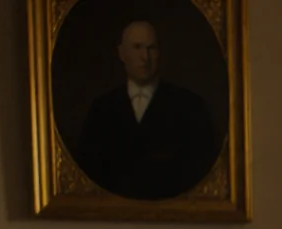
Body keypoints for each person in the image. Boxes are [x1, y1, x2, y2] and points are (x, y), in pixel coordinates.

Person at [75, 20, 221, 200]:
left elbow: (202, 169)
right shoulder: (101, 109)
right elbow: (88, 170)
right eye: (137, 47)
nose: (145, 57)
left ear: (160, 53)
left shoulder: (191, 107)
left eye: (151, 48)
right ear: (122, 53)